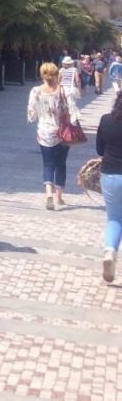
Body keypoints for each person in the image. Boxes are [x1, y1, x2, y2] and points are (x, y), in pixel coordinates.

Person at [27, 62, 81, 210]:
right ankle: (59, 196)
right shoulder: (64, 90)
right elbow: (73, 110)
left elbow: (31, 116)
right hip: (63, 133)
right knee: (61, 163)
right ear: (57, 74)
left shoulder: (36, 91)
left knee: (48, 164)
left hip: (45, 132)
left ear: (42, 74)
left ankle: (49, 194)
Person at [96, 91, 122, 283]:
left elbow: (99, 149)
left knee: (114, 218)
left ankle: (110, 250)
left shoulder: (106, 120)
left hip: (110, 174)